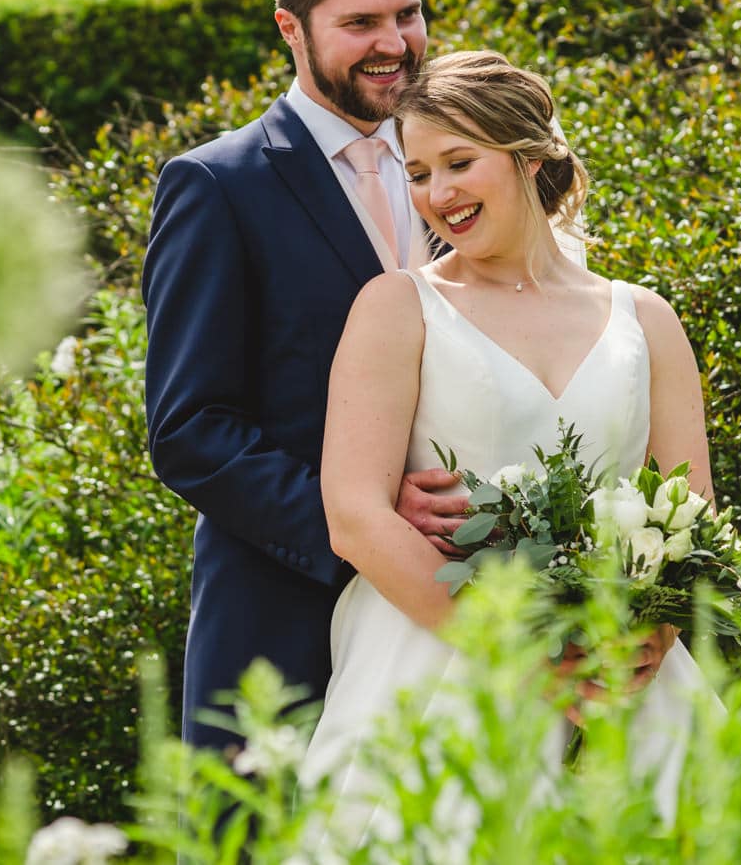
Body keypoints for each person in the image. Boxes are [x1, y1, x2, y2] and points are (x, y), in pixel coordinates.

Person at [302, 49, 717, 831]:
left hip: (619, 669)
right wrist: (529, 655)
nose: (437, 193)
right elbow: (353, 513)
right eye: (418, 172)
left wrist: (651, 630)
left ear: (530, 157)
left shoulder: (645, 319)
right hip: (437, 652)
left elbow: (689, 512)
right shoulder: (398, 307)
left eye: (459, 162)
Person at [141, 0, 472, 746]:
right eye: (360, 22)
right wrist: (362, 520)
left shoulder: (467, 175)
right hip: (281, 626)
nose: (394, 42)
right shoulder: (216, 186)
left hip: (462, 620)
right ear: (291, 27)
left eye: (407, 13)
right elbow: (191, 432)